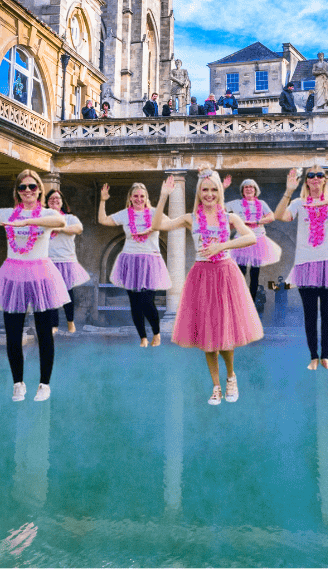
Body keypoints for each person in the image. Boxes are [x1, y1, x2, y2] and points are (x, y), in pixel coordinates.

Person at [160, 167, 264, 405]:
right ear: (199, 192)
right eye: (204, 189)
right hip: (201, 275)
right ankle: (216, 386)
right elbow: (160, 224)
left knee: (225, 333)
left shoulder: (229, 217)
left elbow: (251, 237)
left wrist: (221, 247)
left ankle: (231, 377)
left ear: (219, 192)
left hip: (225, 274)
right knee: (207, 336)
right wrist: (165, 195)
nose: (209, 194)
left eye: (213, 189)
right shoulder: (191, 218)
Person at [0, 166, 68, 402]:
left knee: (44, 334)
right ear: (17, 191)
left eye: (32, 186)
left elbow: (60, 223)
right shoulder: (6, 214)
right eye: (22, 187)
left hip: (41, 275)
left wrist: (26, 222)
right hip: (12, 275)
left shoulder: (48, 214)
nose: (27, 190)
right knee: (12, 335)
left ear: (39, 190)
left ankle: (44, 384)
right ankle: (18, 383)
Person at [276, 166, 328, 370]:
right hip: (306, 264)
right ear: (306, 181)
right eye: (311, 175)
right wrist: (288, 191)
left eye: (319, 175)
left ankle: (326, 356)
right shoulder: (299, 203)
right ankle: (313, 356)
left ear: (325, 181)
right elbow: (280, 216)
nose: (315, 178)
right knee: (310, 314)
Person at [98, 180, 171, 346]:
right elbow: (103, 220)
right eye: (136, 196)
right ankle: (143, 337)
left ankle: (157, 333)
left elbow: (169, 224)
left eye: (142, 196)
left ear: (146, 198)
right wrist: (103, 200)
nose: (139, 199)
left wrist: (153, 227)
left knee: (147, 301)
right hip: (130, 260)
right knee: (135, 302)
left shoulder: (154, 212)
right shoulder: (125, 214)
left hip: (150, 260)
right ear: (130, 198)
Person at [222, 175, 281, 305]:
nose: (248, 189)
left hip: (257, 240)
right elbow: (219, 208)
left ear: (255, 190)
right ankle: (239, 302)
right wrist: (223, 188)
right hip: (242, 239)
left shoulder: (262, 204)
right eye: (246, 187)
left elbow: (271, 216)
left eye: (251, 187)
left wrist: (257, 221)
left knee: (255, 274)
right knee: (240, 273)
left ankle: (252, 303)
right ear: (242, 191)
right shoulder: (236, 203)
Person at [46, 189, 90, 334]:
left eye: (57, 198)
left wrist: (58, 226)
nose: (54, 201)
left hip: (66, 260)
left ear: (62, 202)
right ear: (47, 202)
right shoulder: (42, 218)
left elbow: (78, 229)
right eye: (51, 199)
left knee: (67, 293)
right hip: (48, 261)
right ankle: (53, 325)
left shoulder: (70, 218)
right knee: (51, 294)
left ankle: (70, 322)